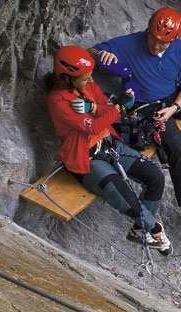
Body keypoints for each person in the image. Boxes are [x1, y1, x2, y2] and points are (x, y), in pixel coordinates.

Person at [90, 6, 181, 231]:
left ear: (173, 40)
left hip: (173, 98)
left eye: (163, 43)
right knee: (173, 143)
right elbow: (90, 53)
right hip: (147, 105)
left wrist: (175, 107)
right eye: (154, 39)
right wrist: (101, 55)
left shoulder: (179, 49)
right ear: (148, 30)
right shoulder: (130, 43)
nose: (156, 45)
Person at [44, 45, 172, 255]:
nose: (90, 81)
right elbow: (94, 126)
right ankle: (154, 229)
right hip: (86, 159)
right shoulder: (57, 101)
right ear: (66, 78)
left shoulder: (86, 86)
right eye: (85, 78)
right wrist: (118, 108)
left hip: (110, 145)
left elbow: (104, 108)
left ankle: (140, 230)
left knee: (155, 177)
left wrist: (96, 108)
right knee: (128, 202)